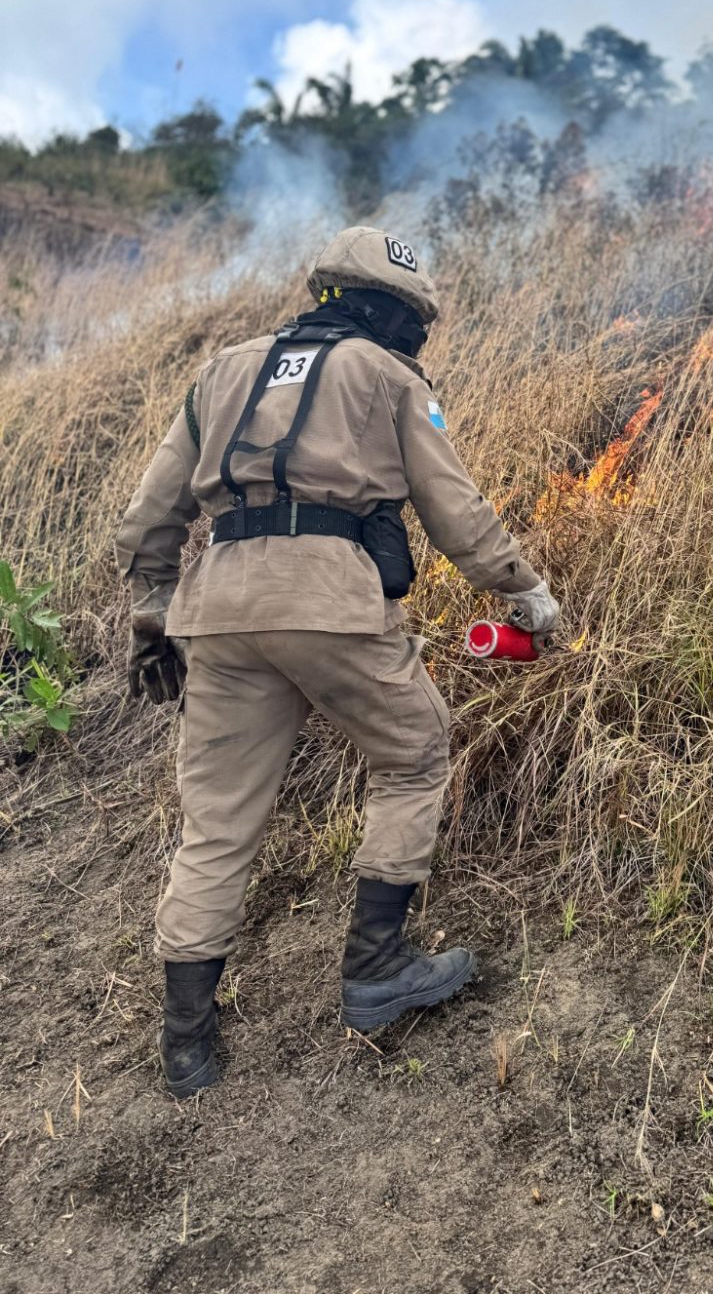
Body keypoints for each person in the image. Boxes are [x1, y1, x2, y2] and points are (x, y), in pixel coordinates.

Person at [115, 226, 560, 1099]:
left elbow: (147, 517)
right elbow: (454, 509)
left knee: (217, 822)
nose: (415, 338)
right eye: (414, 321)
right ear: (393, 310)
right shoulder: (388, 375)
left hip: (218, 609)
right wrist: (526, 591)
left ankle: (187, 1050)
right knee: (417, 751)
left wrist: (150, 617)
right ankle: (377, 971)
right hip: (325, 599)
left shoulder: (225, 369)